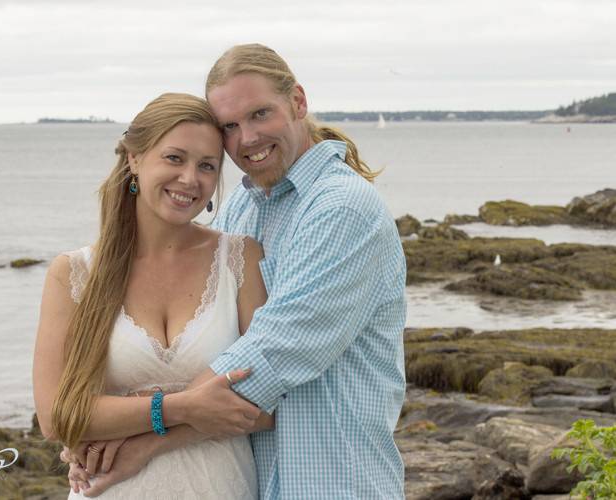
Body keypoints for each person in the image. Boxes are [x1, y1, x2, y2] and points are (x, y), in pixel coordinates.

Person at [65, 44, 407, 499]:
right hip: (247, 482)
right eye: (229, 126)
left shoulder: (342, 209)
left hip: (334, 479)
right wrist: (103, 428)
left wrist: (141, 438)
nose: (246, 138)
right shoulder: (245, 206)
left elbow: (269, 356)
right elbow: (212, 343)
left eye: (260, 114)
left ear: (298, 102)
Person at [32, 92, 274, 499]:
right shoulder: (74, 274)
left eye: (207, 166)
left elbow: (266, 402)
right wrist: (182, 407)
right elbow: (56, 417)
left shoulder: (240, 259)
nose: (190, 179)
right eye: (175, 158)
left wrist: (140, 426)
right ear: (134, 158)